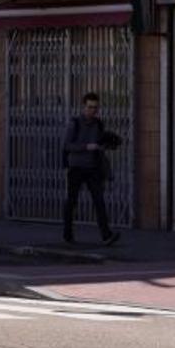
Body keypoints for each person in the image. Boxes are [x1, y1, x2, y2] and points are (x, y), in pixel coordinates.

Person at [62, 92, 121, 246]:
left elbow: (100, 141)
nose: (92, 110)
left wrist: (105, 145)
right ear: (83, 107)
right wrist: (86, 147)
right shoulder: (74, 123)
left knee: (99, 201)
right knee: (72, 201)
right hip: (76, 168)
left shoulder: (98, 124)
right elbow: (67, 145)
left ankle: (106, 235)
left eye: (95, 107)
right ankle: (67, 235)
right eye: (89, 107)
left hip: (93, 168)